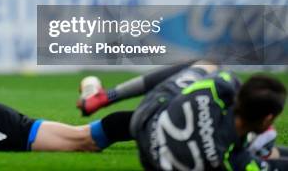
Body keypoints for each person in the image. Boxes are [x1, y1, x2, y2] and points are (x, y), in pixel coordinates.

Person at [78, 61, 288, 170]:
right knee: (262, 152)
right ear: (267, 119)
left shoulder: (219, 87)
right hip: (155, 156)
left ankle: (105, 97)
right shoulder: (229, 160)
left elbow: (224, 81)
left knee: (206, 63)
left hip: (150, 116)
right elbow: (266, 166)